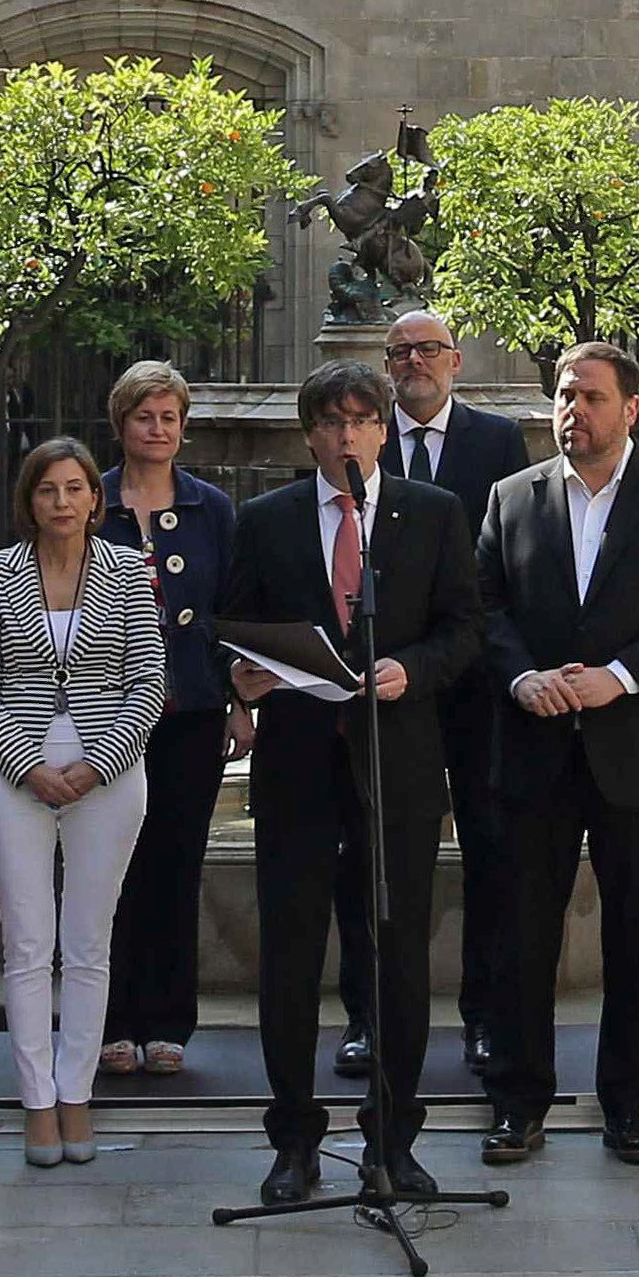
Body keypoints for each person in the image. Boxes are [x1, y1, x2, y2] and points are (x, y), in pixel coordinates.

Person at [221, 361, 485, 1205]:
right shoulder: (265, 520)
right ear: (309, 435)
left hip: (395, 761)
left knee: (397, 951)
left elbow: (465, 627)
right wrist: (243, 674)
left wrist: (412, 665)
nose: (345, 436)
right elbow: (233, 627)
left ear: (382, 429)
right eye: (329, 422)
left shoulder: (431, 515)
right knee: (292, 954)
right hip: (299, 763)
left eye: (360, 420)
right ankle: (294, 1138)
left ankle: (393, 1138)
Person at [471, 343, 639, 1168]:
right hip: (534, 743)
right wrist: (520, 678)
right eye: (560, 395)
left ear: (631, 406)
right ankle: (517, 1103)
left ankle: (630, 1107)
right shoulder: (513, 495)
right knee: (522, 935)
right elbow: (483, 603)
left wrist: (620, 678)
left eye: (587, 395)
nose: (569, 410)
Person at [0, 438, 167, 1167]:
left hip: (106, 774)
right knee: (25, 945)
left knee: (87, 942)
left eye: (74, 488)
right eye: (47, 489)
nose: (61, 502)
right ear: (29, 499)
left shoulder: (124, 571)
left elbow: (148, 681)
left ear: (93, 498)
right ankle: (36, 1103)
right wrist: (26, 764)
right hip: (15, 774)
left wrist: (96, 764)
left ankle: (76, 1094)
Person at [383, 304, 530, 1081]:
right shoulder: (361, 435)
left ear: (455, 360)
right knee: (377, 858)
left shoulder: (496, 441)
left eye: (428, 349)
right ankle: (375, 1022)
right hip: (388, 686)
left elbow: (499, 559)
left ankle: (483, 1017)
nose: (415, 361)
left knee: (490, 853)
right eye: (401, 351)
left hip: (473, 683)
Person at [95, 361, 238, 1080]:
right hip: (105, 718)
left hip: (191, 709)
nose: (157, 429)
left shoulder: (210, 506)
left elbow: (232, 613)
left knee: (175, 863)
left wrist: (242, 699)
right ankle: (112, 1017)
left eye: (169, 417)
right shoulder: (86, 500)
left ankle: (167, 1018)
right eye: (145, 416)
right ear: (121, 422)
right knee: (108, 865)